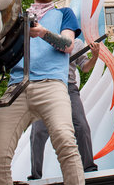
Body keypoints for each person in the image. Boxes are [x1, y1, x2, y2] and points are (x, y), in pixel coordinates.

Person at [0, 0, 85, 185]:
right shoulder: (18, 17)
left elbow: (68, 44)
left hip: (51, 86)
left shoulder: (64, 14)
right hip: (17, 87)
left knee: (66, 142)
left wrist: (43, 33)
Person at [29, 38, 100, 179]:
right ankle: (35, 175)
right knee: (38, 131)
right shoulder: (42, 39)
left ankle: (89, 167)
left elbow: (85, 67)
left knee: (81, 125)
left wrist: (95, 56)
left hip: (68, 88)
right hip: (46, 87)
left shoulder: (77, 43)